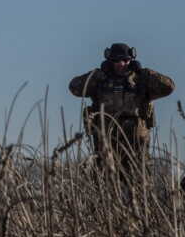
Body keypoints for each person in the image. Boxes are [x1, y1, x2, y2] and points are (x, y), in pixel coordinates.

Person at [68, 42, 174, 171]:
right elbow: (74, 87)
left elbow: (169, 87)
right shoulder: (101, 79)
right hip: (106, 146)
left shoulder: (140, 79)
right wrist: (94, 76)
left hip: (136, 148)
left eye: (125, 60)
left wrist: (146, 73)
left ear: (131, 60)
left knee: (139, 185)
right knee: (105, 183)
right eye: (117, 60)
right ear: (110, 60)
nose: (121, 64)